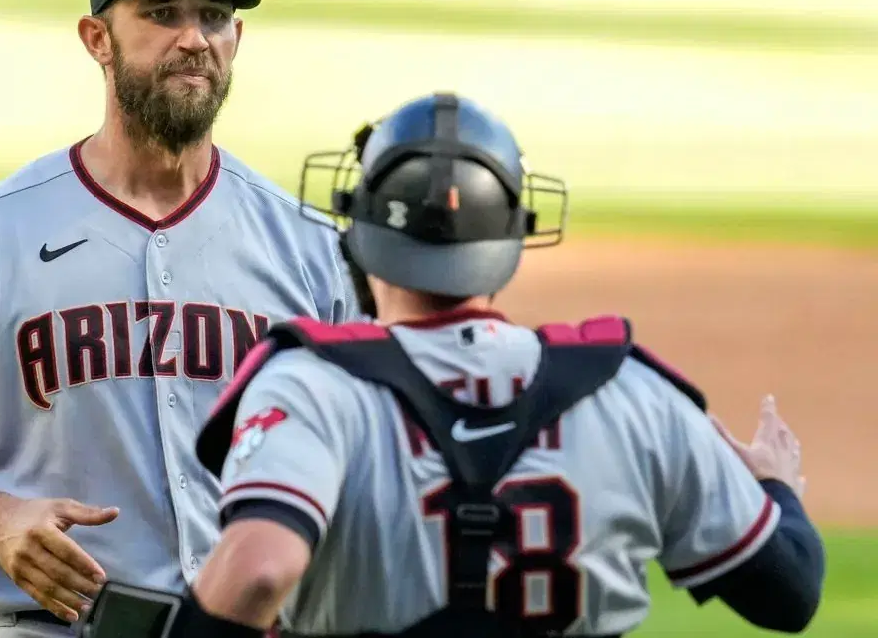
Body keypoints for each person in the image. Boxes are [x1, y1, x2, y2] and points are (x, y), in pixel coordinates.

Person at [76, 92, 825, 638]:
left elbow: (260, 570)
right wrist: (775, 490)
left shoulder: (313, 387)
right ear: (513, 237)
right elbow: (789, 590)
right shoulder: (633, 390)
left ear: (360, 235)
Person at [0, 0, 358, 637]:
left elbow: (376, 464)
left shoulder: (310, 247)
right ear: (97, 38)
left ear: (237, 38)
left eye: (214, 16)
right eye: (162, 12)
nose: (194, 38)